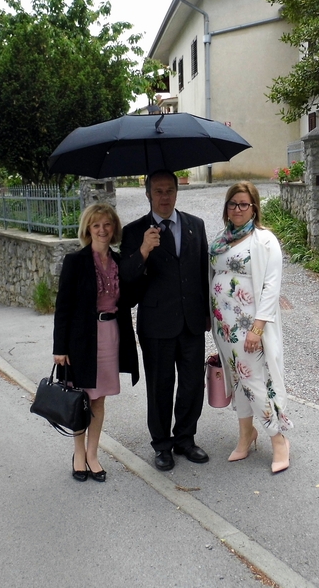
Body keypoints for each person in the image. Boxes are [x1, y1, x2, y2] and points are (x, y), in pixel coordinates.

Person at [120, 170, 210, 471]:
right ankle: (161, 444)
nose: (164, 197)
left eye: (169, 190)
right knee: (160, 387)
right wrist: (143, 250)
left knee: (192, 385)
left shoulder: (195, 225)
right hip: (157, 324)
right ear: (147, 194)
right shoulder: (135, 231)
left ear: (176, 192)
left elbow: (202, 273)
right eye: (158, 191)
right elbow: (126, 281)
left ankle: (185, 438)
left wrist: (206, 314)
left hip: (192, 322)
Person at [209, 182, 293, 473]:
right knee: (237, 380)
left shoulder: (265, 240)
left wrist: (257, 329)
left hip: (249, 327)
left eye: (243, 204)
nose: (237, 209)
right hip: (224, 327)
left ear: (254, 208)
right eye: (232, 203)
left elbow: (271, 287)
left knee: (254, 380)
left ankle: (278, 439)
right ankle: (246, 435)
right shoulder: (220, 240)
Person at [52, 203, 139, 482]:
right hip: (81, 340)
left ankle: (93, 454)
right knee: (81, 398)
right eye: (96, 225)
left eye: (107, 224)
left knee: (99, 399)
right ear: (88, 229)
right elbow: (63, 307)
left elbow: (129, 300)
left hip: (110, 335)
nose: (102, 230)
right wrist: (59, 347)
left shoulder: (119, 262)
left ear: (114, 228)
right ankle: (79, 454)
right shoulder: (75, 261)